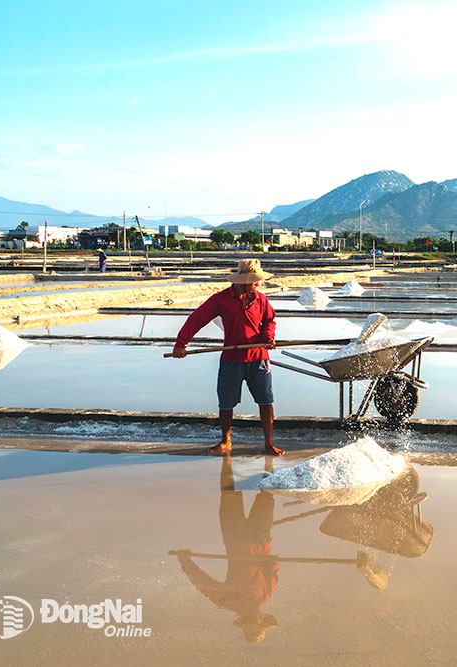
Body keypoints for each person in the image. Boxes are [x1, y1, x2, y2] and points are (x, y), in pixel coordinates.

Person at [172, 258, 284, 455]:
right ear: (242, 280)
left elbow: (269, 320)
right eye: (254, 280)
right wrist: (181, 342)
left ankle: (268, 443)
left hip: (258, 358)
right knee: (226, 402)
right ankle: (226, 440)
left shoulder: (261, 299)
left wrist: (268, 337)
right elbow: (197, 319)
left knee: (266, 401)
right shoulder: (221, 299)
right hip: (232, 358)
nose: (258, 283)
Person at [176, 455, 280, 643]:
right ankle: (267, 458)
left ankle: (229, 457)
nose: (255, 619)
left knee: (230, 493)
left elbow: (203, 584)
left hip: (235, 537)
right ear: (262, 619)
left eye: (251, 623)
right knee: (267, 495)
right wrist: (267, 561)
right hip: (261, 537)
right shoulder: (266, 595)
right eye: (258, 622)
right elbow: (272, 565)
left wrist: (185, 563)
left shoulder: (228, 601)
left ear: (243, 621)